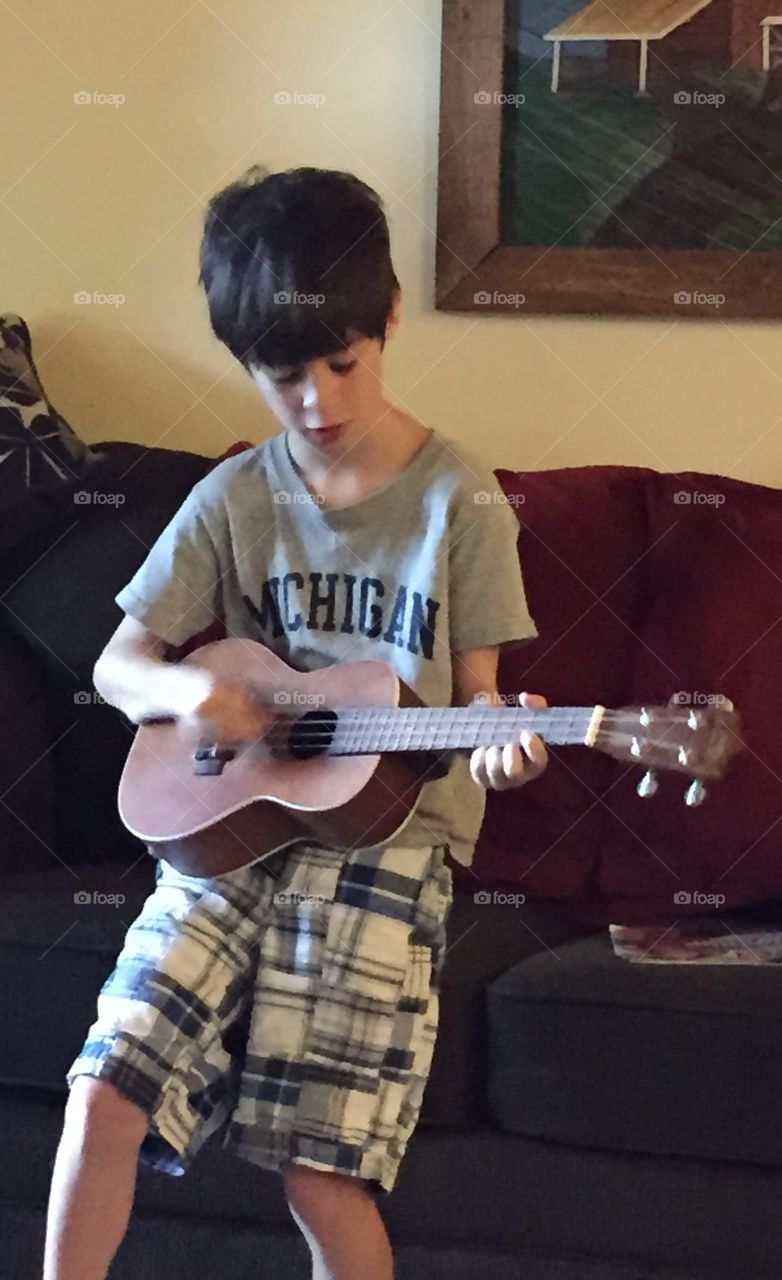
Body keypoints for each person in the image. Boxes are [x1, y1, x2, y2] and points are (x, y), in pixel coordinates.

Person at [42, 165, 548, 1280]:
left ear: (389, 322)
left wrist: (500, 745)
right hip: (227, 830)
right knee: (103, 1088)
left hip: (386, 846)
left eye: (341, 363)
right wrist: (189, 691)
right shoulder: (232, 497)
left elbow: (477, 700)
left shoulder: (459, 498)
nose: (316, 399)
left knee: (318, 1165)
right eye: (283, 375)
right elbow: (119, 663)